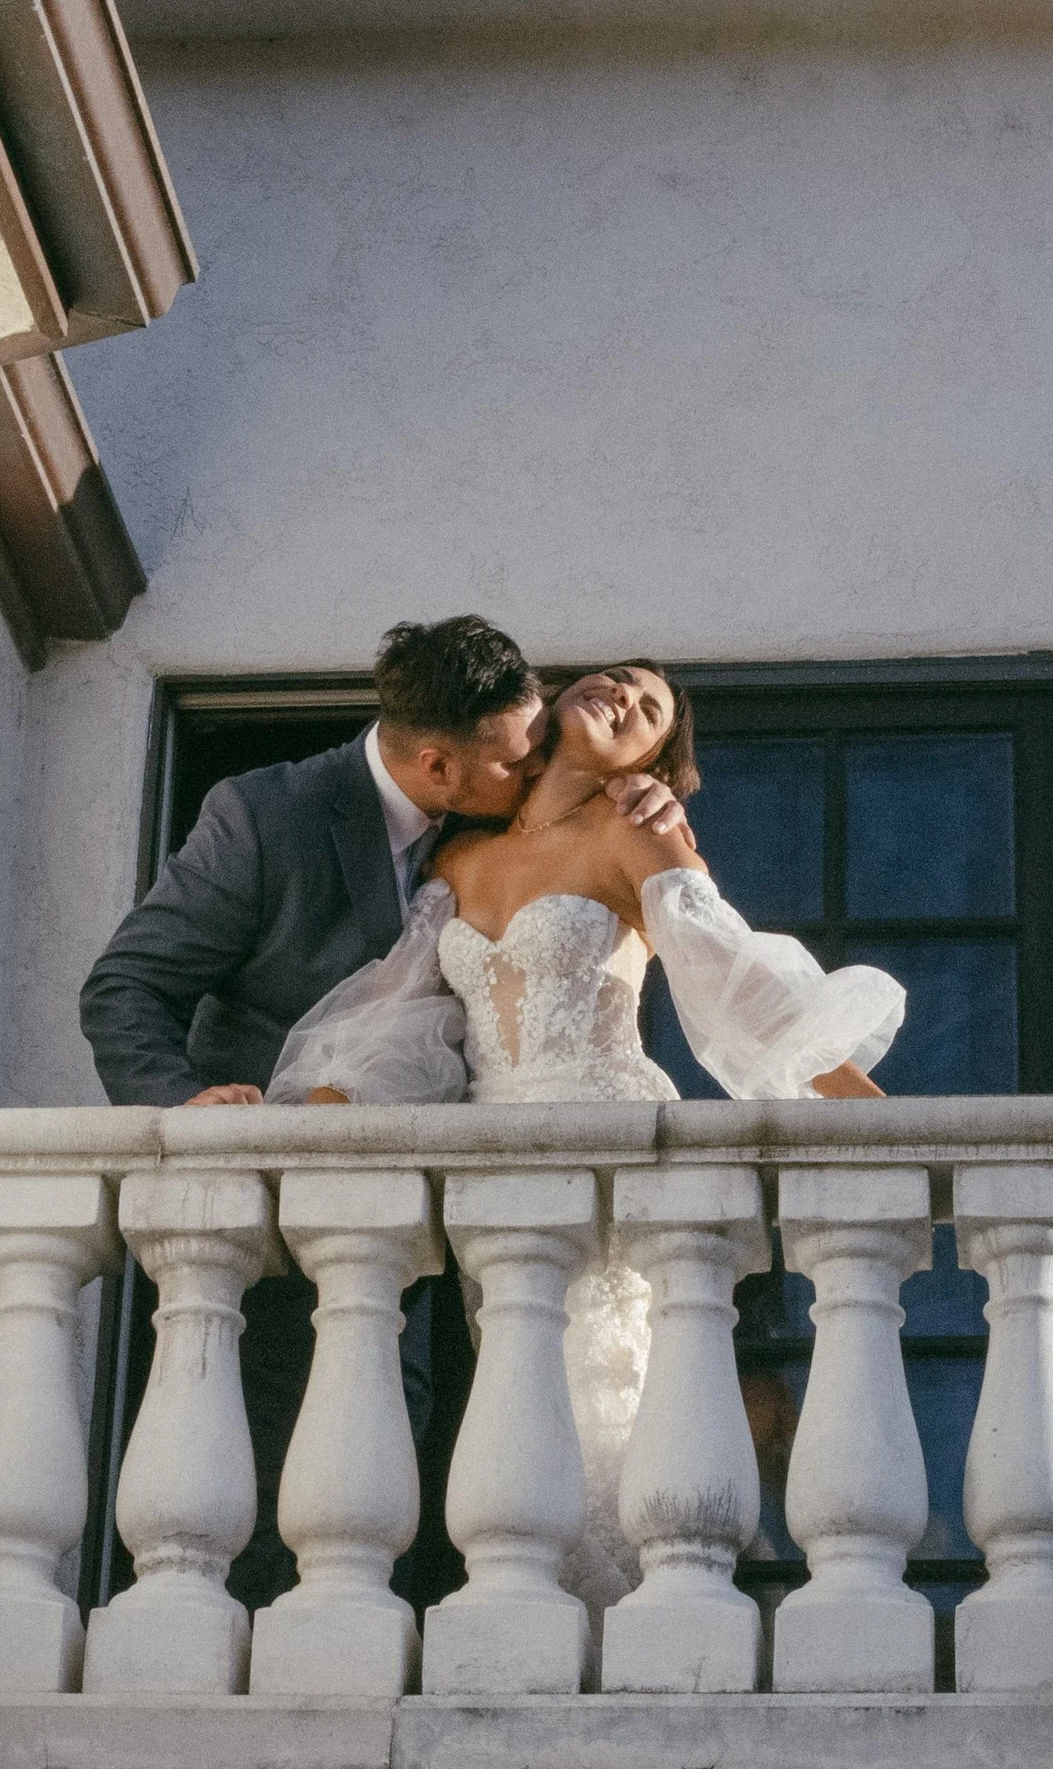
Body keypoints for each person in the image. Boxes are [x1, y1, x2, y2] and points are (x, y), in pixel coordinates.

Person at [268, 661, 905, 1630]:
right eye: (614, 680)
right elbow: (406, 1017)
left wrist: (870, 1110)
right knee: (522, 1412)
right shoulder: (458, 859)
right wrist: (325, 1098)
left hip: (607, 1148)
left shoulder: (634, 832)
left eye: (650, 710)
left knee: (609, 1400)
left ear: (655, 756)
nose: (625, 698)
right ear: (559, 699)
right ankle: (548, 1640)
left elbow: (734, 979)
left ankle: (642, 1639)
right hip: (502, 1177)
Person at [79, 616, 688, 1609]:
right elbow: (125, 987)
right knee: (287, 1459)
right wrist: (188, 1103)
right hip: (291, 1214)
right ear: (440, 766)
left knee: (436, 1451)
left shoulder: (504, 816)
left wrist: (633, 787)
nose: (537, 759)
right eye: (519, 753)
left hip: (464, 1212)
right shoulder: (262, 816)